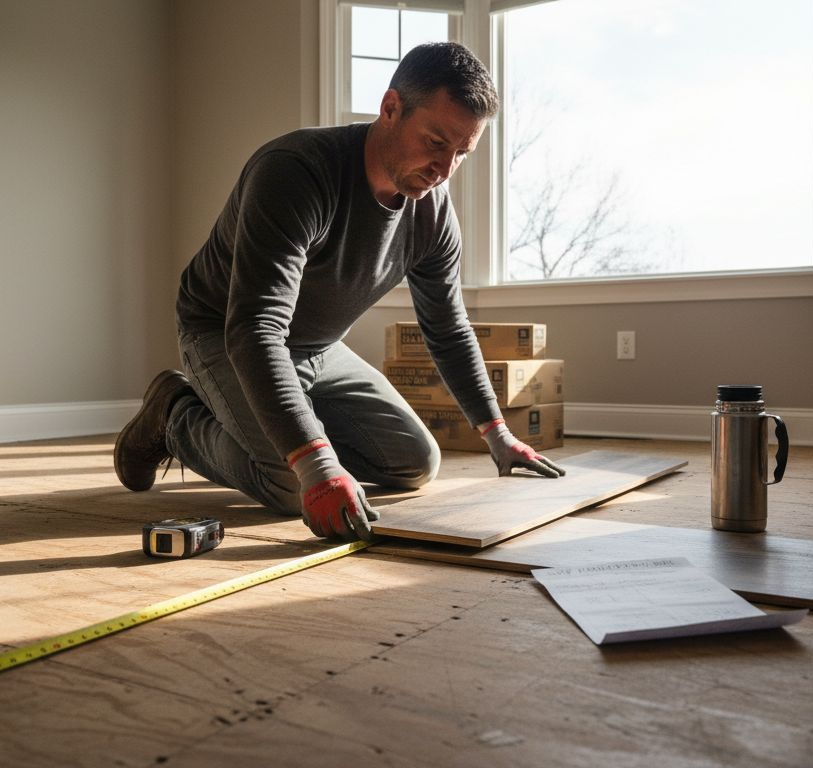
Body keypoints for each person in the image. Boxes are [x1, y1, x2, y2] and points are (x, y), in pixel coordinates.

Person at [113, 42, 564, 542]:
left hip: (319, 347)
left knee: (416, 463)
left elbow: (447, 326)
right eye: (436, 142)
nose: (444, 169)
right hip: (222, 331)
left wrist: (496, 434)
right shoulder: (295, 172)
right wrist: (314, 463)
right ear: (390, 108)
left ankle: (285, 424)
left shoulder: (433, 213)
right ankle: (174, 413)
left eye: (462, 153)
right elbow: (255, 327)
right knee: (291, 484)